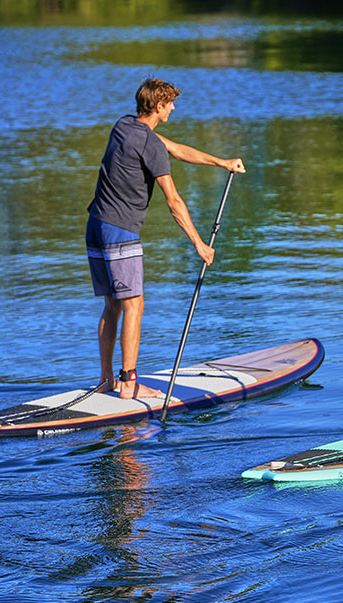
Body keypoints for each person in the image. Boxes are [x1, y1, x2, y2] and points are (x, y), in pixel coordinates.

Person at [86, 78, 246, 399]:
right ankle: (129, 384)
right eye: (171, 103)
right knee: (135, 304)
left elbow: (174, 149)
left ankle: (106, 379)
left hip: (96, 225)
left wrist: (222, 162)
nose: (173, 107)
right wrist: (199, 244)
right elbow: (174, 201)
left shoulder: (124, 126)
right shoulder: (150, 143)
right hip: (121, 230)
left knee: (113, 305)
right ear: (159, 106)